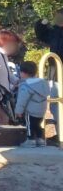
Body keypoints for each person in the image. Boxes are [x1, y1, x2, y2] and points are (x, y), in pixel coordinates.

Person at [34, 10, 63, 145]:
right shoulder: (55, 32)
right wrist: (41, 23)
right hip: (55, 76)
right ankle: (60, 135)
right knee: (55, 106)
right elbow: (41, 34)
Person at [16, 61, 51, 147]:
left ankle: (30, 140)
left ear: (23, 73)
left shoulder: (26, 85)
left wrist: (18, 111)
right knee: (37, 125)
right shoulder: (42, 83)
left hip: (30, 111)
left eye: (20, 72)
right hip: (41, 111)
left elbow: (22, 100)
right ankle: (41, 140)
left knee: (29, 125)